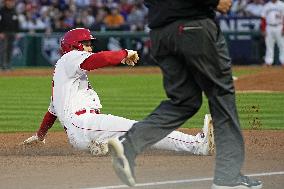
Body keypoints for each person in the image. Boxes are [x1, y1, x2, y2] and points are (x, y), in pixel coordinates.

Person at [107, 1, 263, 189]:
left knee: (184, 101)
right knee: (221, 96)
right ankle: (228, 178)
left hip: (160, 32)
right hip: (193, 25)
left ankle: (128, 145)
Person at [22, 28, 215, 157]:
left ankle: (101, 146)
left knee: (129, 137)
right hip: (84, 124)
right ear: (73, 46)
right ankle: (198, 145)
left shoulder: (63, 78)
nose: (90, 47)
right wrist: (124, 53)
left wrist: (40, 136)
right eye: (86, 43)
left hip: (81, 132)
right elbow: (100, 59)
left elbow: (52, 112)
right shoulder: (70, 58)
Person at [261, 0, 284, 67]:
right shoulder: (267, 5)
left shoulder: (282, 4)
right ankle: (268, 62)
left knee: (282, 45)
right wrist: (263, 29)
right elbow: (263, 18)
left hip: (279, 26)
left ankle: (283, 61)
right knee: (269, 45)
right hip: (269, 27)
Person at [0, 0, 19, 70]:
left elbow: (17, 22)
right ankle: (2, 65)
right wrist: (0, 32)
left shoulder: (14, 11)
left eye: (12, 2)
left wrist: (17, 32)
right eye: (10, 1)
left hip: (12, 32)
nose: (12, 3)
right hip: (4, 33)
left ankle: (8, 64)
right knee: (3, 49)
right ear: (6, 2)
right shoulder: (1, 11)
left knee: (10, 49)